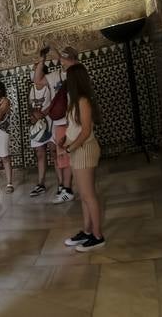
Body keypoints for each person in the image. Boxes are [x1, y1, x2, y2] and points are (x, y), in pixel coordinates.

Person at [62, 63, 105, 251]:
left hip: (85, 150)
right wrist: (65, 142)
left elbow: (86, 131)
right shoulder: (75, 100)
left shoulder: (83, 101)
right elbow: (75, 128)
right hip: (78, 150)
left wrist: (70, 148)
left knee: (89, 196)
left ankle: (97, 236)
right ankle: (87, 231)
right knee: (84, 196)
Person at [35, 45, 78, 203]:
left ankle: (71, 187)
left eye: (65, 58)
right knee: (63, 156)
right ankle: (66, 189)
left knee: (73, 155)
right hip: (59, 123)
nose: (62, 60)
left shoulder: (77, 73)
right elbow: (38, 80)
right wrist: (42, 60)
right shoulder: (55, 75)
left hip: (74, 121)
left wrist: (57, 54)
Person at [27, 49, 54, 196]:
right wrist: (33, 114)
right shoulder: (32, 88)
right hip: (37, 125)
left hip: (49, 122)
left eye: (36, 67)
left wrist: (43, 114)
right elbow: (30, 104)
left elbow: (53, 102)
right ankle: (41, 183)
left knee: (54, 150)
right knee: (40, 154)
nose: (33, 70)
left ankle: (62, 182)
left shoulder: (49, 84)